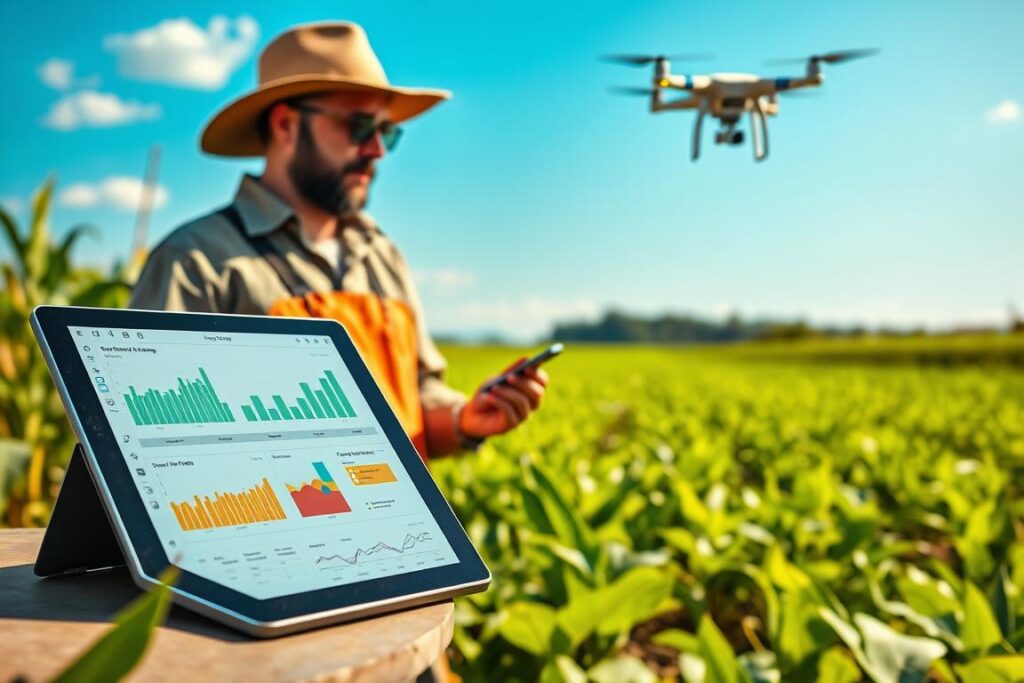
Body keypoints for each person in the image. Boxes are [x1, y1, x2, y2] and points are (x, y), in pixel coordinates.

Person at [130, 21, 547, 459]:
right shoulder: (198, 260)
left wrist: (465, 420)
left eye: (387, 132)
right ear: (286, 124)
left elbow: (416, 397)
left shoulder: (382, 256)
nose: (377, 150)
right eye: (360, 127)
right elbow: (157, 443)